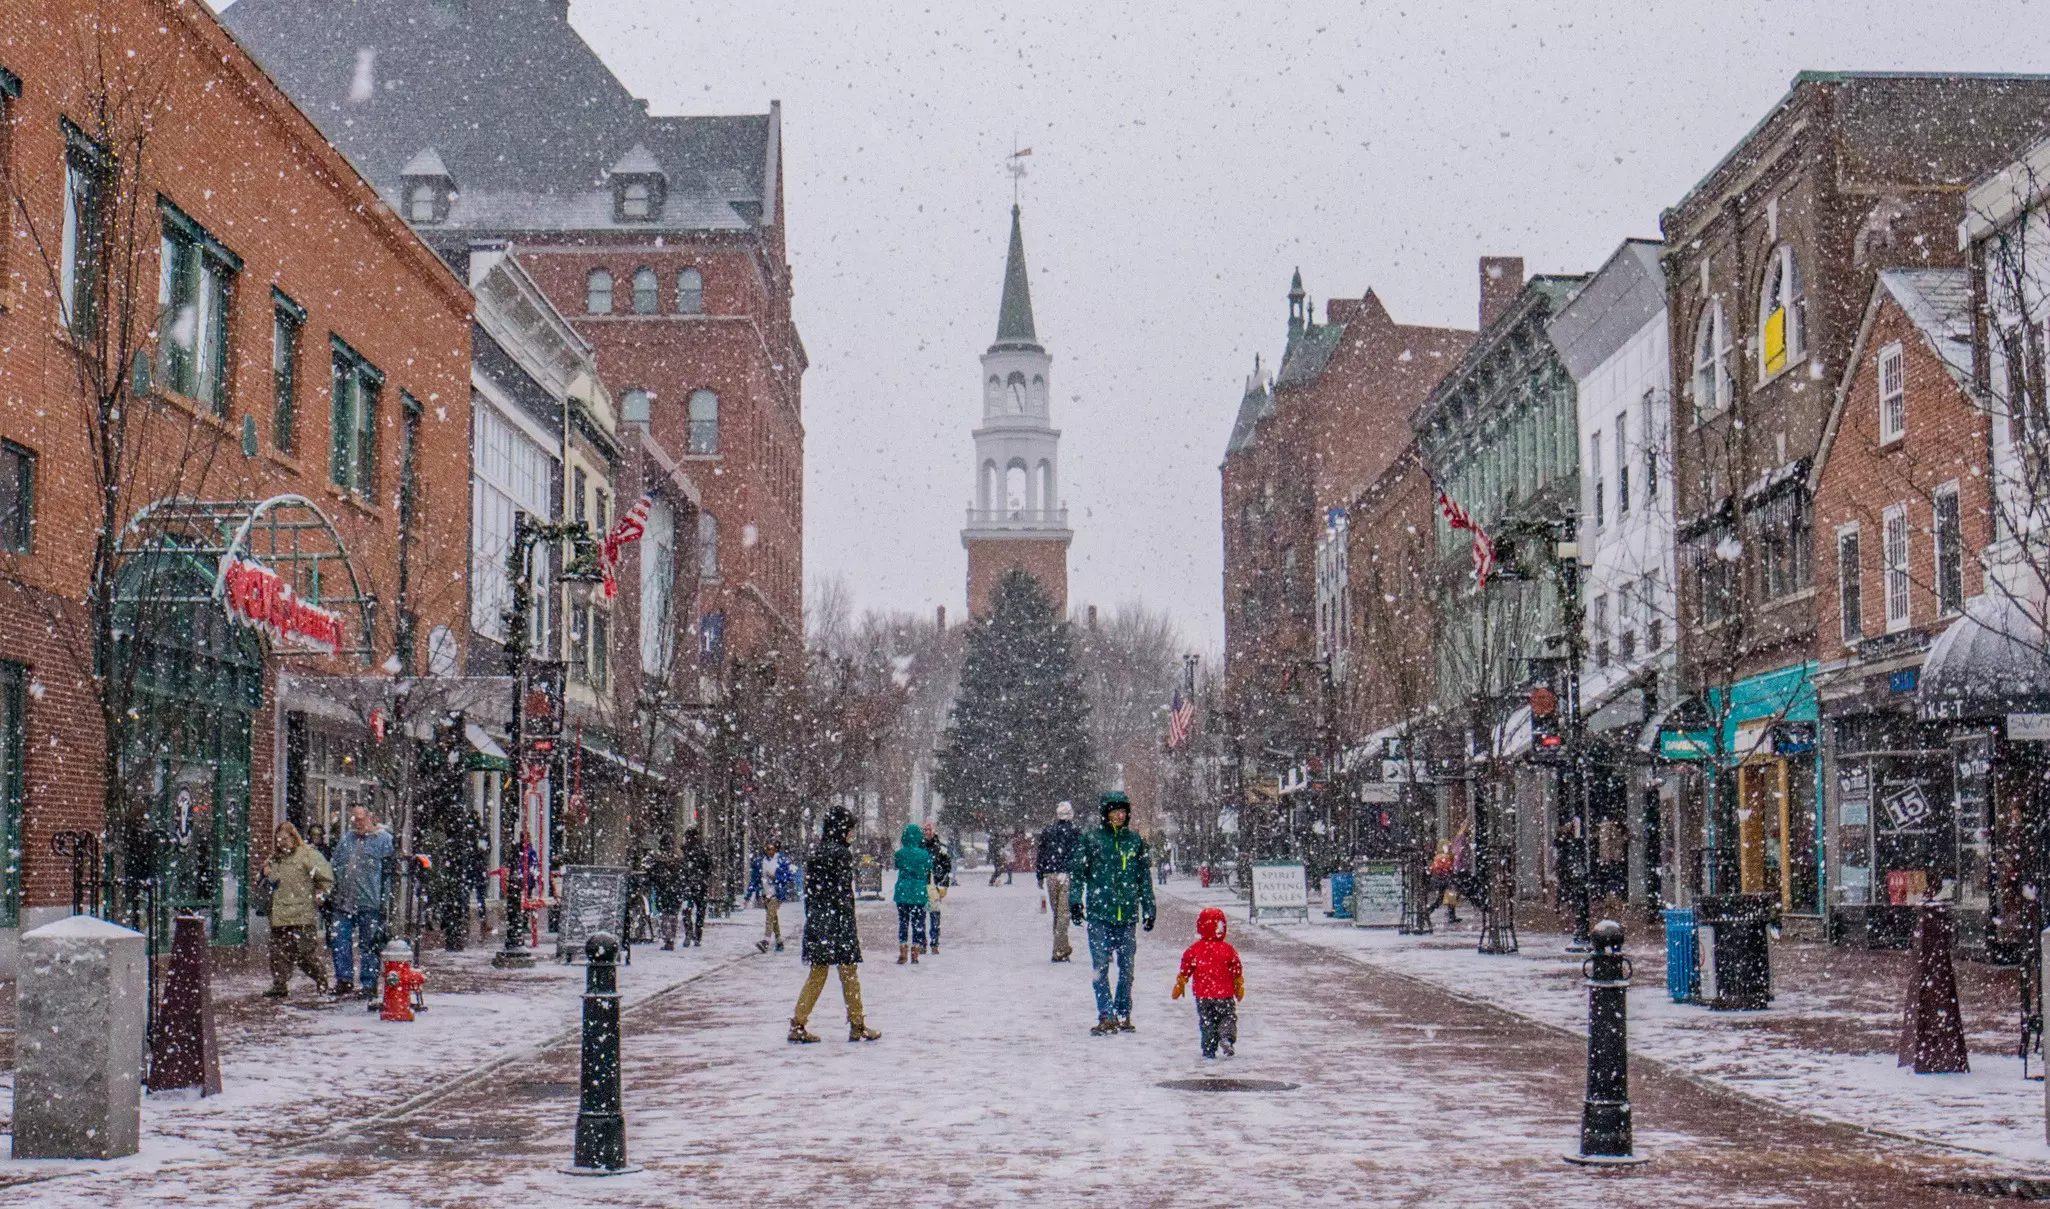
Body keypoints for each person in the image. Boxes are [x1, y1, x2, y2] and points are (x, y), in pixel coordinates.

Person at [789, 806, 880, 1043]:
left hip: (819, 920)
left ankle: (798, 1022)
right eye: (850, 829)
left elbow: (810, 892)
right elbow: (843, 894)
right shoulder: (841, 854)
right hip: (838, 921)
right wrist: (846, 920)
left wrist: (816, 916)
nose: (852, 833)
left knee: (817, 973)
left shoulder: (817, 853)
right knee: (849, 973)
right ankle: (857, 1023)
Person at [1070, 790, 1154, 1034]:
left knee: (1127, 967)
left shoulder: (1135, 842)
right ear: (1105, 813)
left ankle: (1123, 1011)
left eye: (1123, 811)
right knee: (1100, 966)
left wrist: (1149, 907)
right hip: (1099, 912)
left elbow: (1143, 878)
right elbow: (1078, 874)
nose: (1119, 815)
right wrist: (1076, 902)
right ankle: (1106, 1014)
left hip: (1126, 913)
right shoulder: (1092, 840)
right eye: (1115, 811)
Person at [329, 806, 394, 997]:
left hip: (370, 902)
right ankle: (344, 979)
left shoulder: (383, 841)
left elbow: (388, 874)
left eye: (360, 819)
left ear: (371, 818)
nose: (357, 823)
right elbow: (335, 865)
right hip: (344, 900)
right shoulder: (347, 839)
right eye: (354, 819)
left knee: (369, 943)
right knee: (339, 939)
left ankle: (369, 983)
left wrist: (385, 901)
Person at [263, 823, 334, 998]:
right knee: (278, 953)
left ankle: (321, 978)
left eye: (285, 839)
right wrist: (265, 872)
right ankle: (280, 984)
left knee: (304, 954)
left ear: (294, 837)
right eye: (278, 840)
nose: (282, 843)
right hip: (280, 913)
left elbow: (326, 877)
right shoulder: (275, 859)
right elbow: (271, 882)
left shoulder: (307, 855)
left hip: (302, 914)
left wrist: (321, 894)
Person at [1173, 906, 1245, 1059]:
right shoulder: (1227, 949)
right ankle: (1226, 1037)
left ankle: (1209, 1047)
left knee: (1207, 1022)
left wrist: (1181, 982)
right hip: (1224, 994)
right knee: (1227, 1017)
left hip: (1203, 995)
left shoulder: (1195, 950)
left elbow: (1186, 966)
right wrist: (1238, 984)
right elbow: (1236, 968)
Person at [1036, 802, 1083, 962]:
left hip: (1051, 874)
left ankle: (1060, 947)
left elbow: (1041, 853)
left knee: (1058, 913)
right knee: (1063, 913)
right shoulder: (1075, 832)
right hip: (1066, 874)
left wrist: (1040, 875)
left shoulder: (1048, 831)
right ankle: (1060, 949)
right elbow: (1079, 855)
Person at [892, 821, 933, 964]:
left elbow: (897, 865)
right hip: (918, 893)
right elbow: (929, 867)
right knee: (918, 923)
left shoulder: (900, 854)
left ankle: (902, 951)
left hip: (902, 892)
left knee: (903, 922)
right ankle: (915, 952)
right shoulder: (923, 854)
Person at [747, 839, 797, 954]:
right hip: (766, 893)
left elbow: (788, 876)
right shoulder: (761, 861)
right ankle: (779, 941)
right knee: (773, 917)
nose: (770, 851)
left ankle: (766, 941)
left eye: (772, 849)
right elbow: (754, 879)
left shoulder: (782, 861)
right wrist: (748, 895)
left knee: (770, 916)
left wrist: (776, 878)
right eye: (768, 849)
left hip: (776, 894)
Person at [650, 835, 687, 950]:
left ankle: (668, 938)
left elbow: (653, 874)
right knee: (673, 915)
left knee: (665, 915)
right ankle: (671, 938)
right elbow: (682, 874)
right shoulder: (678, 859)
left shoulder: (658, 859)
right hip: (675, 890)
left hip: (663, 890)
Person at [679, 826, 713, 947]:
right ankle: (697, 935)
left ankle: (689, 932)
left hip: (689, 884)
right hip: (700, 884)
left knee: (687, 910)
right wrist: (703, 878)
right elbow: (709, 868)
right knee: (700, 911)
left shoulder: (686, 850)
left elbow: (682, 868)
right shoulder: (703, 850)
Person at [922, 819, 952, 953]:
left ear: (934, 831)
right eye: (925, 830)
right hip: (922, 886)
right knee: (920, 916)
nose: (928, 832)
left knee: (935, 915)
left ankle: (934, 943)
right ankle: (922, 943)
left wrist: (944, 886)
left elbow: (947, 868)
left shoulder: (941, 848)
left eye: (930, 829)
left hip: (935, 886)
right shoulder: (920, 848)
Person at [1425, 839, 1459, 925]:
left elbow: (1434, 869)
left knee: (1442, 899)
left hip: (1440, 879)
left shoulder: (1438, 856)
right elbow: (1448, 868)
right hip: (1445, 880)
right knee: (1450, 897)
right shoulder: (1444, 857)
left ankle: (1429, 911)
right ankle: (1451, 916)